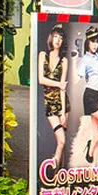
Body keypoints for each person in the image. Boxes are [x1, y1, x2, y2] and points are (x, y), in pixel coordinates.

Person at [77, 25, 98, 164]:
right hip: (90, 95)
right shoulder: (86, 59)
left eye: (97, 41)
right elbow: (78, 76)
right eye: (92, 41)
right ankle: (90, 148)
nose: (95, 44)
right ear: (87, 43)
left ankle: (94, 168)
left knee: (97, 132)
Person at [38, 25, 69, 168]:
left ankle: (60, 176)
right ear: (51, 38)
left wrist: (62, 111)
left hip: (62, 103)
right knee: (61, 140)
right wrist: (58, 84)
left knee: (62, 142)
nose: (58, 40)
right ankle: (54, 175)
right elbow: (41, 80)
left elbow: (64, 88)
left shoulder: (64, 61)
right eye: (56, 36)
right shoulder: (43, 55)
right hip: (49, 103)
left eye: (61, 38)